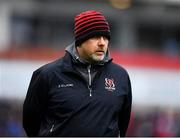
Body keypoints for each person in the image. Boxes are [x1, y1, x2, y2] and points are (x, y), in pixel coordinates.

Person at [23, 10, 132, 137]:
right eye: (96, 37)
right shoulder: (47, 75)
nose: (102, 43)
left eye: (106, 38)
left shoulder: (120, 76)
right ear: (80, 40)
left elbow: (122, 125)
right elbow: (31, 124)